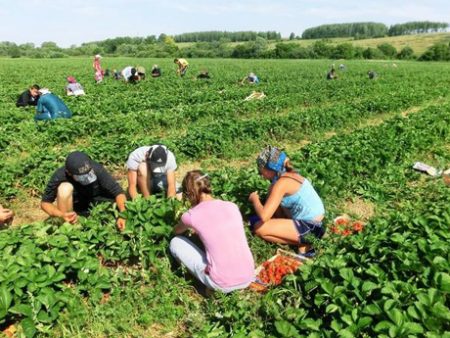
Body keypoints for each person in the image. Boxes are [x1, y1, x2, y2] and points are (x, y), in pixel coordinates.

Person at [170, 170, 255, 293]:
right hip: (248, 276)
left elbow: (176, 231)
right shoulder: (232, 206)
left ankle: (209, 288)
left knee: (175, 242)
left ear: (189, 194)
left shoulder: (191, 215)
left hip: (221, 282)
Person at [248, 146, 325, 255]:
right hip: (313, 222)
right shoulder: (289, 175)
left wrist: (255, 200)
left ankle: (305, 242)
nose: (261, 174)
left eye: (261, 170)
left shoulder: (282, 183)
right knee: (257, 219)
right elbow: (277, 209)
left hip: (312, 226)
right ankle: (301, 240)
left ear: (271, 168)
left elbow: (264, 216)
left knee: (259, 228)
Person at [40, 151, 127, 230]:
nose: (86, 178)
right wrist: (61, 214)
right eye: (81, 176)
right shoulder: (60, 175)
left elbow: (118, 192)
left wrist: (123, 215)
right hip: (78, 207)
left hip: (100, 204)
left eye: (88, 174)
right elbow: (45, 203)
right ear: (69, 173)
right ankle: (68, 227)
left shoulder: (96, 168)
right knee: (64, 188)